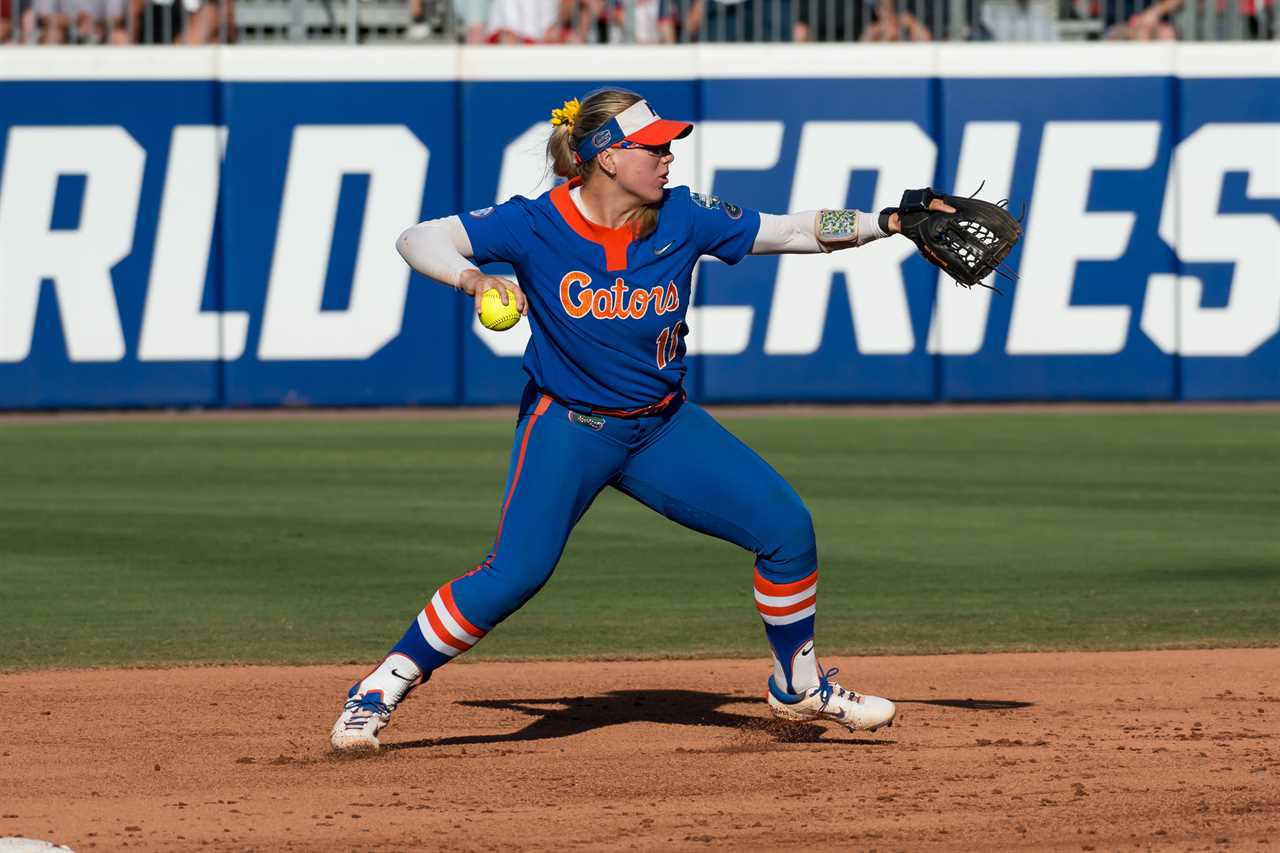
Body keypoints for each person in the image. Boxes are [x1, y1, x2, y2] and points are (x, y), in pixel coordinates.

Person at [330, 88, 953, 752]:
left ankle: (797, 685)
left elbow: (794, 229)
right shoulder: (534, 223)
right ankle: (380, 685)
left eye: (668, 143)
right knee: (516, 573)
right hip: (569, 425)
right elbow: (417, 238)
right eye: (653, 146)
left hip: (661, 426)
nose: (667, 156)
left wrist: (887, 220)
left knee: (786, 528)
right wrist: (475, 281)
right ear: (605, 157)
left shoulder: (685, 214)